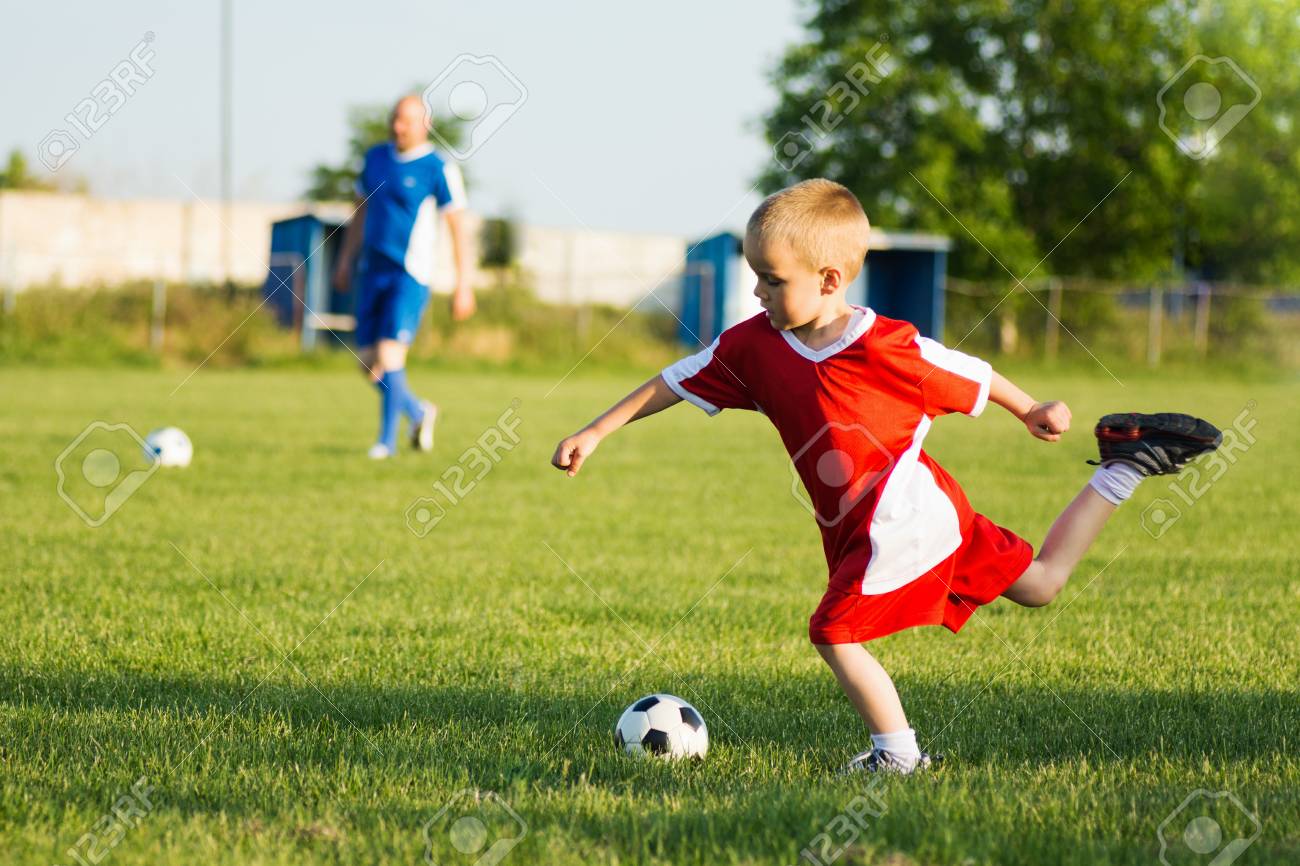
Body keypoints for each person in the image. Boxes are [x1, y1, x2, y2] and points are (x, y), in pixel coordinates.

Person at [550, 179, 1222, 774]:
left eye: (772, 278)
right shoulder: (750, 347)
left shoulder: (885, 347)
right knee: (1040, 584)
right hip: (912, 514)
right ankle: (1125, 466)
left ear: (831, 278)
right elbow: (673, 381)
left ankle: (898, 756)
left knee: (834, 632)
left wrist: (1030, 408)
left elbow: (968, 371)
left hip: (899, 519)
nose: (757, 290)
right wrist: (596, 431)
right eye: (755, 275)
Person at [333, 95, 476, 459]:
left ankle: (385, 443)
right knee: (367, 363)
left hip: (411, 274)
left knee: (390, 355)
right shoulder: (375, 158)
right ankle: (417, 411)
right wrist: (346, 260)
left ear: (424, 125)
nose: (398, 127)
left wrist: (463, 284)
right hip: (372, 271)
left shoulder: (438, 168)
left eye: (407, 121)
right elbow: (359, 212)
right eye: (395, 119)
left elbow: (457, 227)